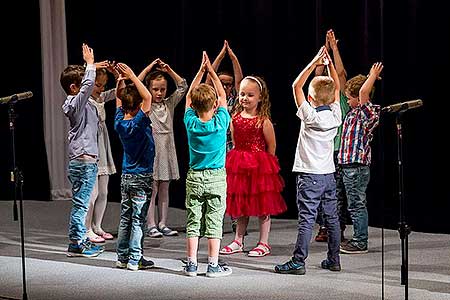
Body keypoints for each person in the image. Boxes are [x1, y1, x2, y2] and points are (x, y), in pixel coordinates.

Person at [274, 46, 342, 275]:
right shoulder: (335, 115)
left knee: (307, 219)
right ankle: (334, 259)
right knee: (332, 218)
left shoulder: (310, 115)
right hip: (328, 175)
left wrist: (314, 62)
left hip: (309, 176)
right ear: (333, 98)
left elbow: (296, 86)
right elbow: (338, 89)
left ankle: (298, 262)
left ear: (310, 98)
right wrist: (329, 65)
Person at [219, 75, 287, 257]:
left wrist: (267, 171)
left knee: (263, 206)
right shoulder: (235, 118)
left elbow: (271, 146)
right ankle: (238, 240)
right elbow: (234, 142)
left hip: (259, 168)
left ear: (260, 97)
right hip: (240, 166)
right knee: (241, 205)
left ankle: (263, 242)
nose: (245, 98)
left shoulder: (263, 121)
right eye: (242, 94)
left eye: (250, 95)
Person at [183, 51, 232, 277]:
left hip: (195, 176)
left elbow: (187, 99)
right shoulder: (221, 122)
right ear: (215, 106)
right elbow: (222, 96)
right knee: (214, 221)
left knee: (193, 221)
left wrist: (200, 72)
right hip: (215, 177)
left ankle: (192, 264)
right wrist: (211, 71)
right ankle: (213, 265)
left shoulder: (191, 122)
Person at [61, 43, 104, 257]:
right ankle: (77, 243)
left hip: (86, 161)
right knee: (82, 204)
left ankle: (76, 241)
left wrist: (93, 66)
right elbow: (87, 86)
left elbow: (88, 86)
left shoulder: (82, 103)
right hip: (83, 162)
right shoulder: (74, 104)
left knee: (82, 203)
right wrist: (89, 65)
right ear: (73, 88)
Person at [137, 58, 188, 238]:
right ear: (149, 89)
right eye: (155, 89)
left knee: (165, 187)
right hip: (152, 149)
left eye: (162, 89)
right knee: (153, 188)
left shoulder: (169, 104)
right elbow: (136, 84)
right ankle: (150, 224)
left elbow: (183, 86)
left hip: (167, 148)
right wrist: (149, 67)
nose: (159, 93)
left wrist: (169, 70)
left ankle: (163, 223)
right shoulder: (146, 104)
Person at [338, 62, 383, 254]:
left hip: (356, 167)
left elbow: (364, 94)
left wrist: (371, 76)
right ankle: (355, 237)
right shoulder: (353, 113)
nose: (347, 101)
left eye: (349, 98)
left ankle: (360, 241)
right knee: (351, 203)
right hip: (347, 166)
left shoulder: (369, 113)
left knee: (357, 204)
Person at [113, 62, 155, 271]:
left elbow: (120, 101)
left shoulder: (119, 122)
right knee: (138, 219)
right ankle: (135, 258)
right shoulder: (139, 121)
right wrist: (131, 75)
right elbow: (147, 97)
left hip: (126, 176)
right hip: (141, 176)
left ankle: (122, 256)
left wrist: (120, 81)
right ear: (139, 107)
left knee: (125, 217)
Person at [314, 29, 351, 243]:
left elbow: (341, 74)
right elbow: (318, 75)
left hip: (337, 151)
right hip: (320, 152)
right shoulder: (316, 101)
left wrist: (334, 49)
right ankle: (323, 226)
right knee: (321, 191)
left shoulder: (340, 102)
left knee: (336, 194)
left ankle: (335, 227)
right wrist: (324, 50)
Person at [206, 40, 244, 234]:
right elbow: (208, 80)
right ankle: (215, 221)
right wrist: (220, 57)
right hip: (216, 149)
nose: (227, 87)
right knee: (217, 186)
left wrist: (233, 57)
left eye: (229, 85)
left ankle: (237, 221)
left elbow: (240, 80)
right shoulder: (211, 101)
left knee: (235, 187)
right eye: (223, 84)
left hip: (233, 148)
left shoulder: (236, 100)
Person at [85, 64, 118, 243]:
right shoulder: (84, 100)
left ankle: (98, 226)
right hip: (91, 145)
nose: (101, 89)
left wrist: (115, 74)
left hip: (103, 144)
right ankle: (87, 227)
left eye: (103, 85)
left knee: (104, 191)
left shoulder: (101, 98)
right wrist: (92, 65)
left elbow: (118, 92)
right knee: (93, 192)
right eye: (97, 85)